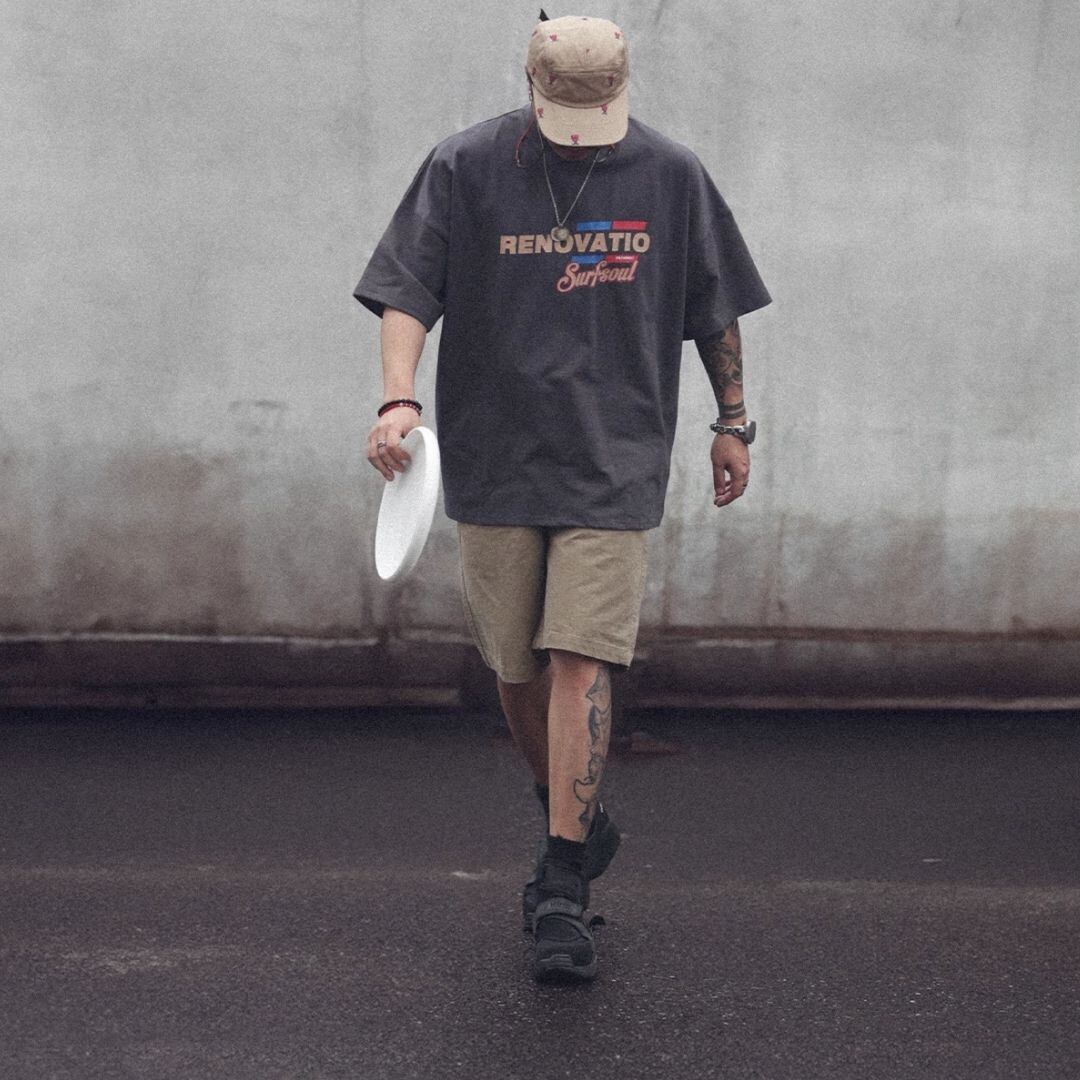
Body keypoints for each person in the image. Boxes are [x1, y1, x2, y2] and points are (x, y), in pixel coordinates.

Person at [354, 12, 771, 982]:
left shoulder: (672, 175)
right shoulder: (464, 165)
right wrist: (398, 399)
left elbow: (713, 306)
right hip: (494, 452)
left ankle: (561, 884)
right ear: (532, 86)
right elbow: (409, 290)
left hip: (614, 457)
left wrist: (734, 420)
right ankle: (574, 817)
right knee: (515, 667)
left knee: (581, 658)